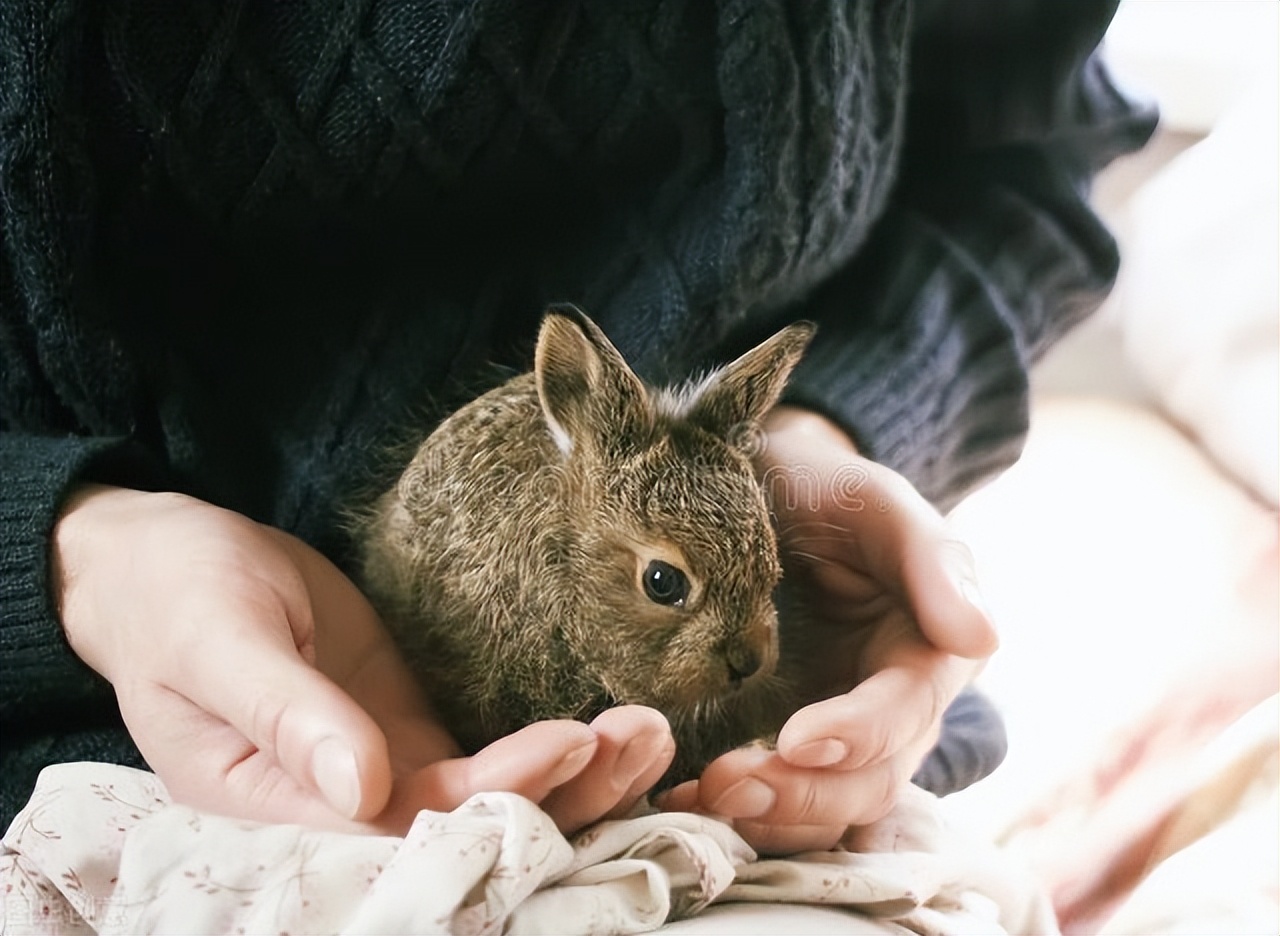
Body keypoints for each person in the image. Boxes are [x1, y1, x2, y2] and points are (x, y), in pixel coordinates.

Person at [0, 0, 1156, 852]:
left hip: (773, 775)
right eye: (670, 586)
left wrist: (833, 432)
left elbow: (1020, 163)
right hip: (92, 751)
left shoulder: (738, 614)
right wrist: (66, 552)